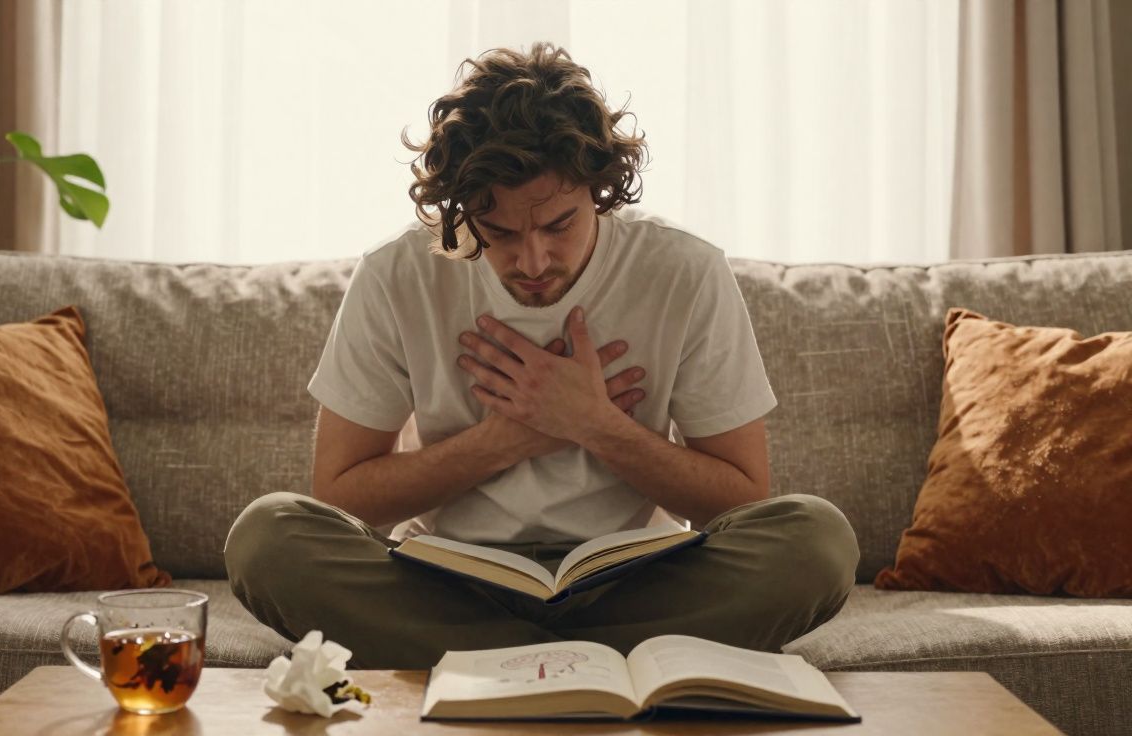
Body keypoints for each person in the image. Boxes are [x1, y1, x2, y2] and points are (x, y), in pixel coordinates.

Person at [225, 42, 858, 669]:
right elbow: (343, 497)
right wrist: (509, 438)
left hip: (637, 583)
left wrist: (594, 424)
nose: (531, 262)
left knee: (817, 541)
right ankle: (596, 664)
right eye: (496, 232)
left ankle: (495, 666)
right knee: (267, 537)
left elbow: (740, 499)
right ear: (457, 209)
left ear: (601, 191)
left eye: (559, 225)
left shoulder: (684, 271)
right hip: (445, 587)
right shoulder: (396, 275)